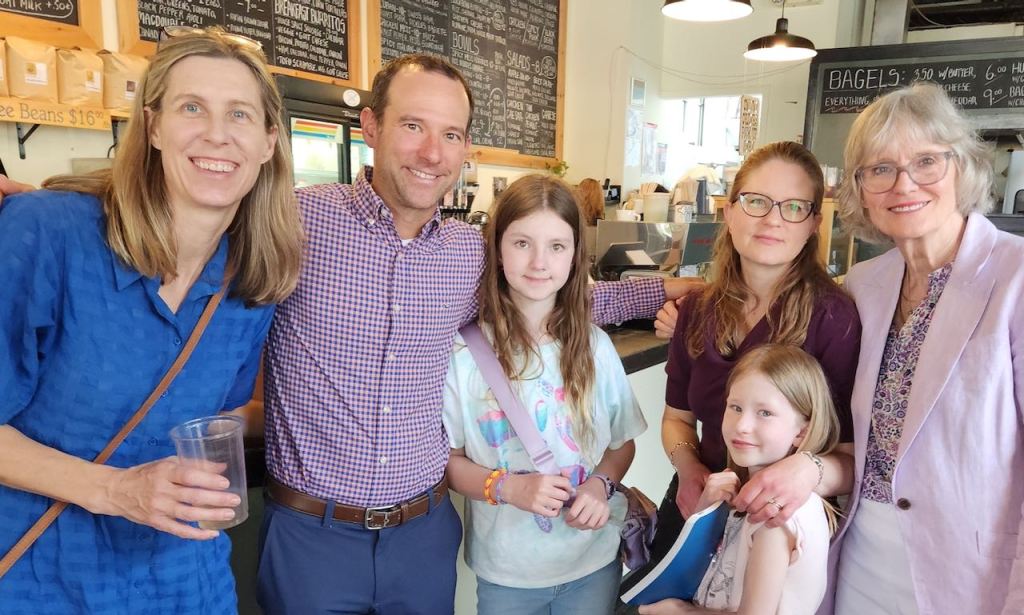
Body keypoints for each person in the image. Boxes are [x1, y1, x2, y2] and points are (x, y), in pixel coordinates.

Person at [254, 54, 692, 614]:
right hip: (311, 533)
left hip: (422, 534)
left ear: (465, 148)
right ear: (371, 126)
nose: (432, 153)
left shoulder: (466, 251)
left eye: (451, 134)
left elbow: (557, 295)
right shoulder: (293, 222)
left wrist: (679, 290)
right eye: (413, 125)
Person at [0, 28, 303, 614]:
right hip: (44, 582)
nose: (217, 133)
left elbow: (220, 415)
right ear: (154, 125)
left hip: (186, 582)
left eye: (239, 114)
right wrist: (116, 489)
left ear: (269, 142)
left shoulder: (252, 281)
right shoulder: (46, 233)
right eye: (192, 108)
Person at [825, 83, 1024, 615]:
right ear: (861, 189)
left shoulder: (1016, 277)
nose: (904, 184)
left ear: (963, 167)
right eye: (880, 168)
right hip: (862, 557)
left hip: (974, 573)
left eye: (926, 161)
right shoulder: (863, 284)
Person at [632, 142, 860, 595]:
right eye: (757, 201)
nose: (773, 220)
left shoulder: (835, 319)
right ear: (730, 211)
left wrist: (805, 471)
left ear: (813, 224)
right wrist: (689, 468)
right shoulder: (695, 311)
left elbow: (852, 460)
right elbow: (677, 420)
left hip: (775, 524)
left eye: (793, 207)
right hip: (699, 505)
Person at [443, 174, 646, 614]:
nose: (539, 262)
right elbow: (449, 462)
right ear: (497, 249)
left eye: (557, 246)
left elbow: (622, 444)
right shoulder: (463, 354)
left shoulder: (595, 347)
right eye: (522, 243)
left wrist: (600, 484)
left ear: (575, 256)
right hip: (507, 573)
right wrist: (507, 487)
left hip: (593, 560)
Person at [640, 344, 841, 615]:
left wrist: (679, 611)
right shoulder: (742, 494)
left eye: (765, 413)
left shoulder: (774, 516)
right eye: (735, 407)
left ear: (801, 433)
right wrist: (705, 512)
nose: (742, 425)